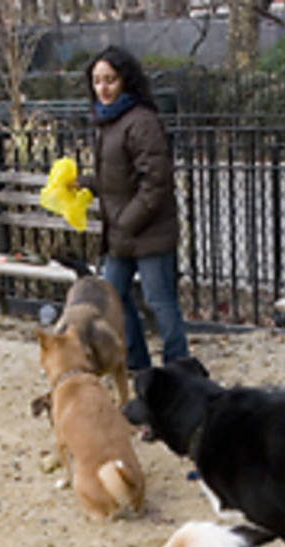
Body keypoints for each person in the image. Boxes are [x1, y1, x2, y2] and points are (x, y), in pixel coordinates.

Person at [78, 46, 189, 371]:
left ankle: (177, 369)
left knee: (161, 302)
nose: (104, 88)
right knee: (114, 298)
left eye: (110, 80)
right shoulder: (107, 121)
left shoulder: (141, 121)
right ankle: (139, 367)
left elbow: (156, 181)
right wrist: (84, 182)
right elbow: (118, 178)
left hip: (149, 232)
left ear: (125, 80)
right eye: (97, 81)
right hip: (122, 233)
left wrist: (126, 221)